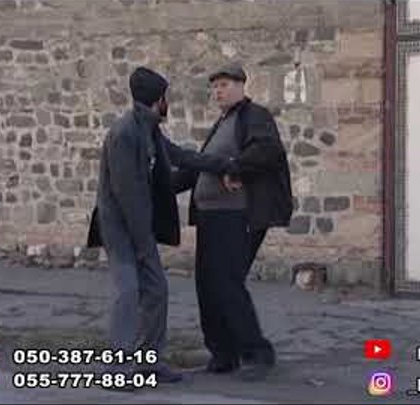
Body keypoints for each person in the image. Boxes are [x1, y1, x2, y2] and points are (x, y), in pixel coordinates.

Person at [86, 66, 238, 389]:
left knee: (157, 291)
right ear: (157, 100)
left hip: (139, 227)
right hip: (119, 229)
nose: (168, 103)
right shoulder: (124, 133)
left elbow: (181, 157)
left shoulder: (149, 130)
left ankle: (149, 362)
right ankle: (116, 369)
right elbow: (129, 197)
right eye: (165, 97)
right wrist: (143, 245)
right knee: (129, 292)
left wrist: (225, 165)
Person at [169, 63, 293, 381]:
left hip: (237, 216)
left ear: (240, 85)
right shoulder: (223, 122)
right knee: (208, 287)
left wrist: (236, 167)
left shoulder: (254, 116)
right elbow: (202, 167)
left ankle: (257, 354)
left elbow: (268, 151)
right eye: (214, 87)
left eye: (224, 85)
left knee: (227, 284)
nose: (217, 91)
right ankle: (223, 355)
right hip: (210, 218)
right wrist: (159, 186)